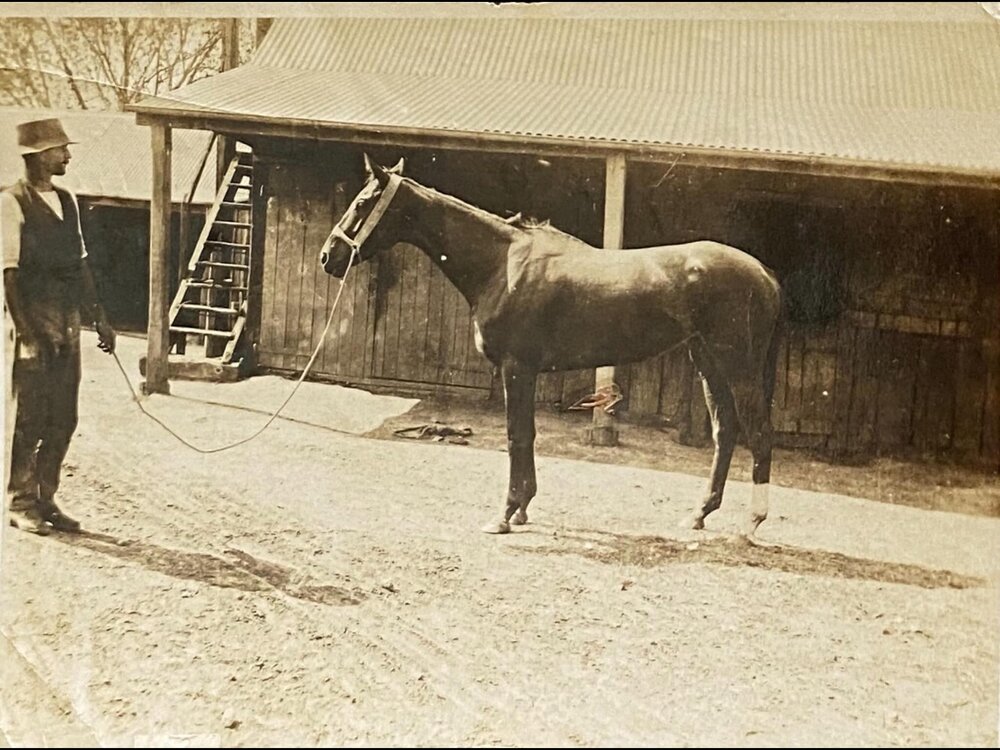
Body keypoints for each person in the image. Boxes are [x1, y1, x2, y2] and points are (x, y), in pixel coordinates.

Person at [2, 117, 116, 535]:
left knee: (63, 416)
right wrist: (27, 334)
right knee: (29, 416)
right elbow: (8, 274)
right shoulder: (11, 201)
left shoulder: (68, 201)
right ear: (36, 155)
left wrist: (99, 316)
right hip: (32, 321)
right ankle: (20, 502)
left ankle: (46, 497)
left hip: (67, 321)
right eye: (59, 149)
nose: (67, 155)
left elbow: (81, 264)